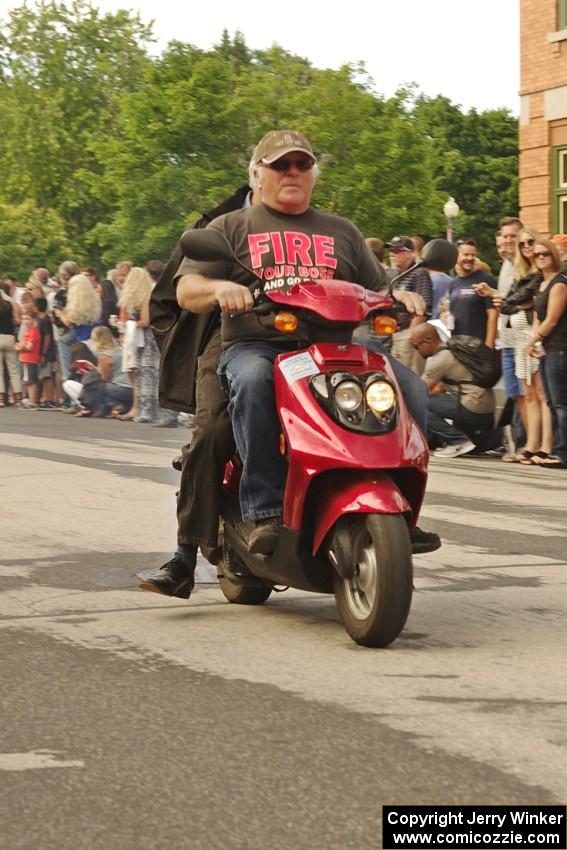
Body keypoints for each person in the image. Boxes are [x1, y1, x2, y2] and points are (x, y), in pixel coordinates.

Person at [170, 129, 436, 570]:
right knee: (253, 383)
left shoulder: (342, 231)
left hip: (333, 352)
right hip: (257, 346)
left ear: (313, 174)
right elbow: (188, 289)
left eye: (302, 164)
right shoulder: (231, 227)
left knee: (412, 389)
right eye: (280, 165)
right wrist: (220, 289)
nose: (292, 171)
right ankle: (265, 512)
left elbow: (377, 287)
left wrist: (400, 297)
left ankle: (400, 503)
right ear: (256, 174)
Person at [498, 229, 552, 465]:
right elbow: (506, 306)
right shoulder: (521, 274)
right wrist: (516, 303)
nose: (527, 247)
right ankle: (531, 444)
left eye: (531, 242)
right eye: (523, 244)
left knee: (541, 394)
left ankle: (545, 446)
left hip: (535, 336)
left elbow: (517, 300)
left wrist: (515, 303)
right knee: (527, 394)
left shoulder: (540, 276)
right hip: (517, 338)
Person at [411, 323, 501, 458]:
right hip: (485, 407)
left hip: (472, 406)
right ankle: (502, 435)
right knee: (470, 446)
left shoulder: (439, 360)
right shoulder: (453, 351)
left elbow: (419, 392)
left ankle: (457, 440)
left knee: (414, 405)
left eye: (417, 346)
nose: (417, 350)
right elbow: (439, 388)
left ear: (428, 341)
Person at [526, 238, 567, 468]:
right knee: (552, 401)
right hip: (547, 349)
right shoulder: (542, 284)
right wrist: (536, 342)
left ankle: (563, 453)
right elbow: (539, 318)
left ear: (554, 256)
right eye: (537, 254)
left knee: (561, 403)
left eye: (546, 254)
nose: (540, 257)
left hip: (561, 348)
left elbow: (552, 320)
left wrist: (533, 340)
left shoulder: (560, 284)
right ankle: (556, 451)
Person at [385, 235, 433, 375]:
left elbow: (423, 309)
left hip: (409, 334)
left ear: (410, 253)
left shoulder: (419, 273)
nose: (392, 254)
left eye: (398, 250)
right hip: (395, 334)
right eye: (391, 250)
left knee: (409, 379)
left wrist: (411, 337)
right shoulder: (396, 276)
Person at [449, 238, 497, 347]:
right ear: (456, 256)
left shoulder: (486, 280)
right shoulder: (453, 283)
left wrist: (488, 347)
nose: (470, 258)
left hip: (478, 346)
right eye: (466, 254)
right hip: (458, 346)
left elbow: (493, 316)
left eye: (472, 255)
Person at [0, 286, 22, 407]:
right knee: (14, 369)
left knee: (0, 371)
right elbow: (16, 320)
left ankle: (1, 398)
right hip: (10, 337)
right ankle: (18, 397)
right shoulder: (9, 305)